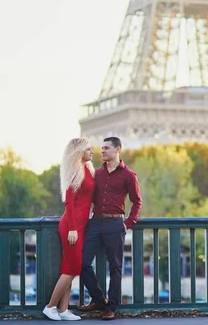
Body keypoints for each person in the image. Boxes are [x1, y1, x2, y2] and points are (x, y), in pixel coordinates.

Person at [78, 136, 142, 321]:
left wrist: (127, 223)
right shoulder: (96, 174)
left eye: (106, 148)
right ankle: (98, 298)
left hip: (115, 224)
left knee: (115, 267)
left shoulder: (129, 175)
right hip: (95, 222)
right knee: (83, 262)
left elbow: (137, 201)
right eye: (101, 148)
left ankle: (110, 307)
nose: (102, 151)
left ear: (117, 149)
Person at [43, 138, 95, 321]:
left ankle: (63, 310)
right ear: (79, 152)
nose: (92, 151)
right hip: (71, 226)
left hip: (81, 225)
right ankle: (50, 307)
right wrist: (72, 229)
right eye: (88, 149)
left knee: (69, 267)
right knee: (73, 267)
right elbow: (69, 203)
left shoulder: (88, 170)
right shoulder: (75, 172)